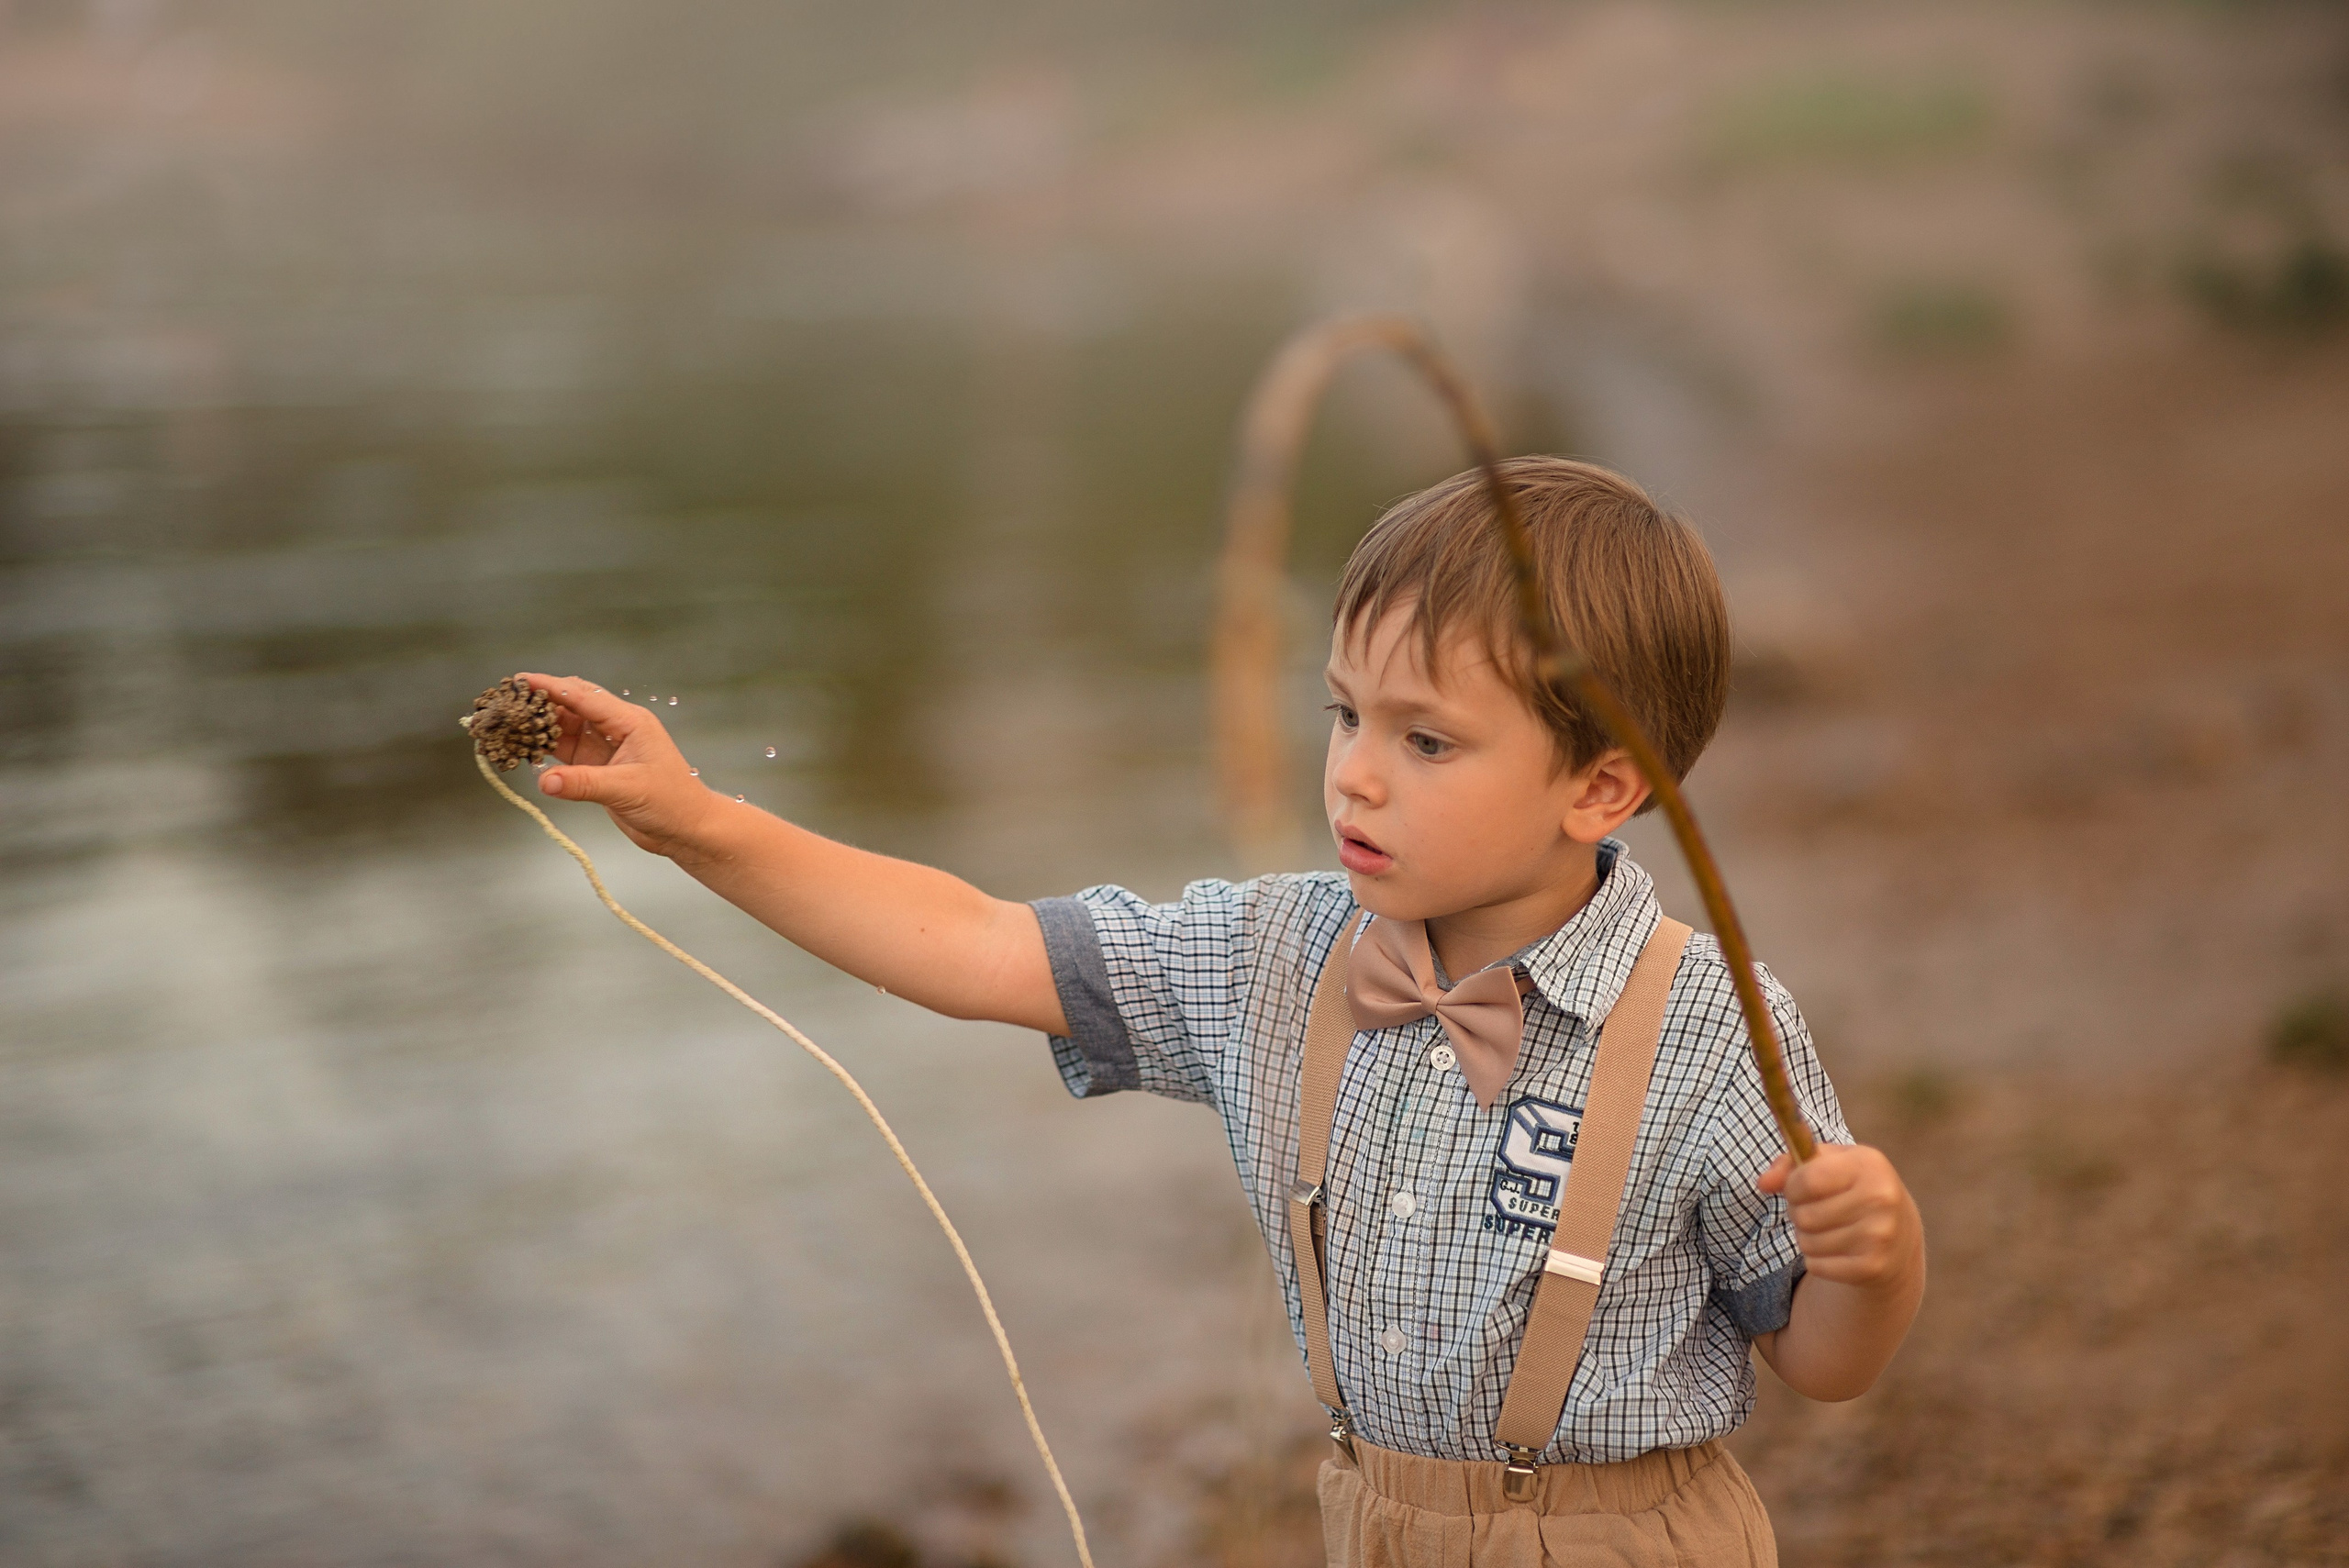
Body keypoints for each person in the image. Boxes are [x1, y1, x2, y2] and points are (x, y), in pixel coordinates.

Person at [519, 455, 1925, 1566]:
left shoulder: (1706, 1025)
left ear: (1603, 787)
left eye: (1426, 740)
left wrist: (1877, 1261)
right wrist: (697, 823)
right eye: (1344, 714)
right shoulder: (1270, 955)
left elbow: (1823, 1361)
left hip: (1631, 1544)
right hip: (1368, 1522)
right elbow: (978, 943)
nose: (1356, 777)